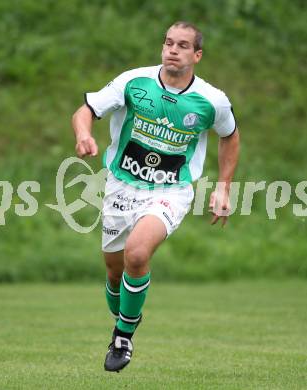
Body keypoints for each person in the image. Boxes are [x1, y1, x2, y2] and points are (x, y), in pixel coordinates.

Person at [72, 21, 240, 372]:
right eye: (168, 43)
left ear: (197, 55)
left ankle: (123, 337)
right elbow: (85, 110)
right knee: (115, 274)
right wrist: (84, 133)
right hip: (121, 187)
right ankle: (128, 317)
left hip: (170, 191)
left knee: (137, 253)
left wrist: (223, 186)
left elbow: (230, 136)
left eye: (182, 45)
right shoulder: (134, 81)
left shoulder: (212, 101)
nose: (172, 50)